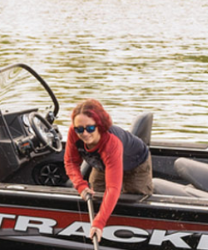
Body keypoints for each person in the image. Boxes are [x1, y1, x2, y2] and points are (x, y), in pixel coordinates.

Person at [63, 99, 154, 241]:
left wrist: (99, 223)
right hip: (103, 164)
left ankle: (132, 233)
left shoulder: (111, 142)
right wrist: (80, 185)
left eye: (90, 128)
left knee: (133, 201)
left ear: (99, 125)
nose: (84, 133)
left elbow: (113, 188)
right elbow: (71, 162)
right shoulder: (74, 133)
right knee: (96, 196)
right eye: (79, 129)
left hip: (135, 163)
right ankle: (99, 232)